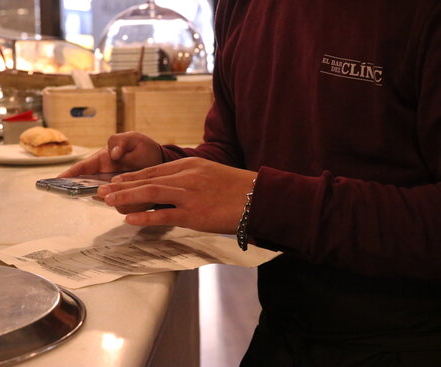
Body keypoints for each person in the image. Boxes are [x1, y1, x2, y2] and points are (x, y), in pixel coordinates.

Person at [61, 1, 441, 365]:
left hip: (410, 339)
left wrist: (263, 200)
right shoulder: (244, 6)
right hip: (282, 330)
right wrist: (165, 167)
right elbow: (234, 149)